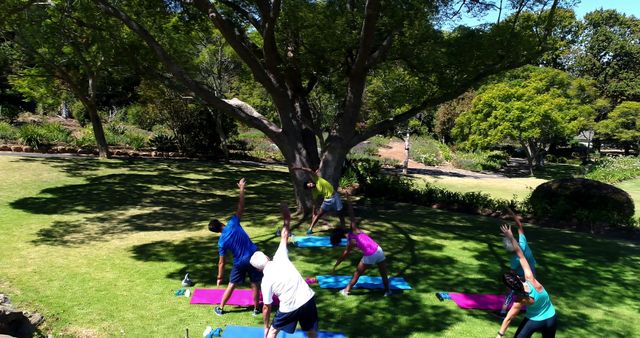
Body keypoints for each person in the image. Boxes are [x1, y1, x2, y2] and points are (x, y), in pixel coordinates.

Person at [249, 203, 319, 338]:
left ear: (258, 270)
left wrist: (265, 327)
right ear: (268, 257)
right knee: (310, 330)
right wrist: (286, 218)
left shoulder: (265, 281)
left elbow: (266, 307)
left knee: (273, 331)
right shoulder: (280, 256)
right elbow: (285, 234)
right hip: (307, 298)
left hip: (289, 307)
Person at [208, 178, 262, 316]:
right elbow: (241, 206)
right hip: (253, 255)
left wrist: (220, 277)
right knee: (255, 283)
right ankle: (256, 309)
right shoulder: (233, 223)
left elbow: (222, 262)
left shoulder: (221, 242)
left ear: (216, 232)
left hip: (240, 262)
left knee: (232, 284)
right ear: (221, 222)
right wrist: (242, 189)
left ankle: (220, 308)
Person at [497, 224, 557, 338]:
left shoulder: (520, 300)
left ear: (513, 289)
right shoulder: (530, 278)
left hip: (533, 321)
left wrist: (499, 335)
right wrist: (511, 237)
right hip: (551, 319)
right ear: (519, 278)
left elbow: (509, 318)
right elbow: (521, 255)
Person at [330, 198, 390, 297]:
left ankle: (346, 291)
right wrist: (348, 199)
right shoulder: (355, 230)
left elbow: (344, 256)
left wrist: (336, 265)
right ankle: (387, 291)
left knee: (357, 274)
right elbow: (351, 214)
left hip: (370, 255)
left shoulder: (350, 242)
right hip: (379, 250)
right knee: (383, 273)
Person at [501, 208, 537, 315]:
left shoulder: (515, 259)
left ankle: (503, 311)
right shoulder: (523, 242)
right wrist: (512, 214)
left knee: (510, 289)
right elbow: (519, 225)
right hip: (532, 272)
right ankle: (531, 309)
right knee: (531, 292)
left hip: (523, 276)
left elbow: (512, 273)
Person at [292, 167, 345, 234]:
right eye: (309, 187)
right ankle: (310, 229)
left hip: (335, 197)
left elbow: (310, 170)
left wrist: (299, 168)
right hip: (327, 200)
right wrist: (314, 212)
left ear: (310, 182)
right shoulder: (314, 191)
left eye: (310, 184)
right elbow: (314, 202)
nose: (311, 185)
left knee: (340, 214)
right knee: (319, 214)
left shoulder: (317, 179)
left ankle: (344, 229)